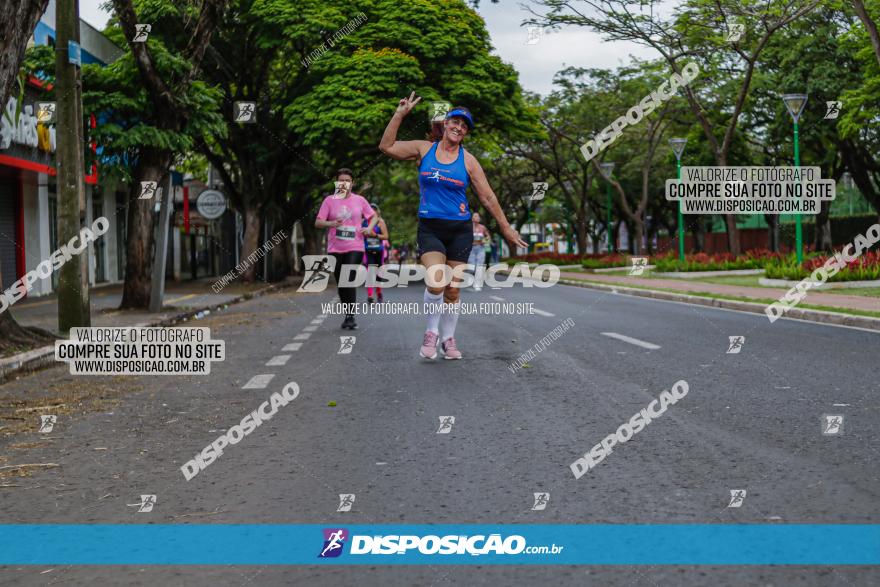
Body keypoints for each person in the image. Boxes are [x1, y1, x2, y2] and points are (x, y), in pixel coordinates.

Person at [379, 92, 527, 360]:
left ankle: (448, 339)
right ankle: (431, 332)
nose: (459, 127)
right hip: (431, 228)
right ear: (445, 124)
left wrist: (506, 228)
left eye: (464, 125)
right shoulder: (425, 149)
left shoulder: (468, 161)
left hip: (460, 230)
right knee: (436, 282)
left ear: (465, 132)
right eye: (455, 122)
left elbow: (488, 196)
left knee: (453, 288)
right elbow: (387, 146)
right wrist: (400, 114)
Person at [315, 168, 377, 330]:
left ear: (352, 183)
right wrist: (331, 224)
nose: (344, 184)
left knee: (348, 278)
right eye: (341, 180)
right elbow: (318, 222)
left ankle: (351, 317)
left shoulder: (360, 200)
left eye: (347, 181)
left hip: (355, 246)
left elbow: (373, 216)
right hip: (335, 247)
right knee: (341, 282)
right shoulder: (329, 200)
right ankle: (347, 313)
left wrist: (369, 228)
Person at [363, 202, 390, 303]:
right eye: (370, 209)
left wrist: (375, 235)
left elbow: (386, 236)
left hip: (379, 251)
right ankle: (370, 295)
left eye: (374, 209)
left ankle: (379, 292)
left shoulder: (380, 222)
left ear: (377, 212)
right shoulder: (363, 222)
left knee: (379, 273)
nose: (372, 211)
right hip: (367, 250)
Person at [468, 212, 490, 291]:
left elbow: (487, 236)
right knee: (472, 267)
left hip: (480, 248)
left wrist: (485, 240)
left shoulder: (482, 227)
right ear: (472, 218)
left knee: (479, 266)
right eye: (475, 216)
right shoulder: (469, 227)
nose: (477, 218)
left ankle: (477, 284)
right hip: (471, 249)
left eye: (478, 216)